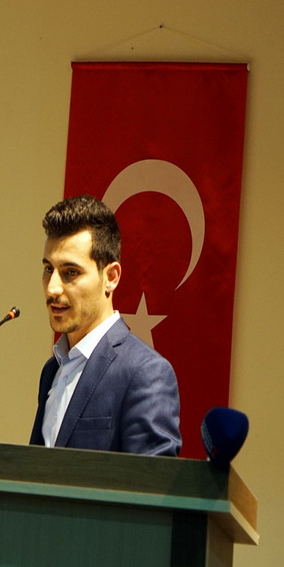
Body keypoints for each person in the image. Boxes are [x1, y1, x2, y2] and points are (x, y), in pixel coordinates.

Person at [28, 194, 181, 455]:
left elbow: (152, 479)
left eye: (70, 272)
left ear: (111, 277)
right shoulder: (52, 370)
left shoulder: (145, 373)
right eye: (48, 269)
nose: (52, 288)